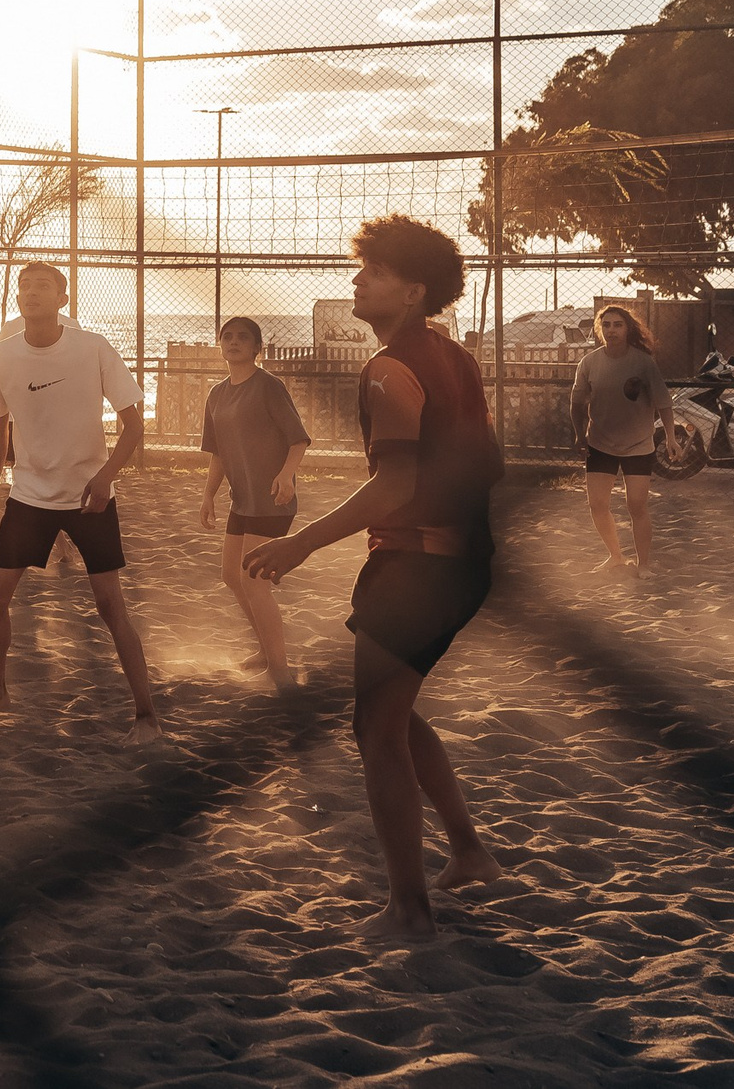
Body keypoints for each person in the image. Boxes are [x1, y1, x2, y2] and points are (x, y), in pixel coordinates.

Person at [246, 216, 505, 939]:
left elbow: (394, 485)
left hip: (415, 564)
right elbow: (489, 464)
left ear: (414, 290)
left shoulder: (390, 367)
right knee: (390, 709)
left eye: (376, 271)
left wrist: (301, 542)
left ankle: (409, 906)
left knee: (374, 727)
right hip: (465, 562)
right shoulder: (454, 357)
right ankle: (469, 850)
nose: (358, 280)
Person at [0, 263, 163, 743]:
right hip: (28, 496)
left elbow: (134, 426)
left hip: (89, 497)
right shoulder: (0, 356)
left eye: (42, 286)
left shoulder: (93, 347)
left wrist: (105, 477)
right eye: (24, 285)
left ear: (62, 297)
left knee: (109, 606)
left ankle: (146, 717)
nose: (31, 292)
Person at [196, 316, 311, 690]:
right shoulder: (217, 393)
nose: (234, 342)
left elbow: (298, 440)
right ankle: (266, 650)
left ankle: (280, 672)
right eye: (227, 337)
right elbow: (218, 453)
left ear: (257, 348)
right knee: (232, 577)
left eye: (243, 337)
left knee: (254, 582)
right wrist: (208, 494)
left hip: (274, 499)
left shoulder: (269, 387)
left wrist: (285, 475)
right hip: (242, 500)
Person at [572, 303, 673, 577]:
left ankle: (644, 565)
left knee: (636, 506)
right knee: (597, 504)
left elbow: (663, 402)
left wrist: (672, 438)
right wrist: (580, 435)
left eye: (618, 325)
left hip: (638, 445)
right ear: (599, 329)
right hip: (600, 443)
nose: (612, 330)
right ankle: (615, 556)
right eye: (606, 325)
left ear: (628, 329)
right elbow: (576, 402)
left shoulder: (642, 362)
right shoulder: (589, 363)